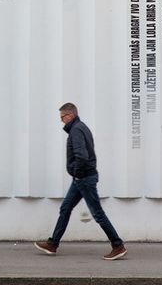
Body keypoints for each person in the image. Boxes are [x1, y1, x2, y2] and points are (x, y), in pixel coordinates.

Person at [34, 102, 127, 260]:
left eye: (62, 117)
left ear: (70, 116)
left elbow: (82, 156)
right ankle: (53, 244)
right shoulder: (81, 127)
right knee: (65, 208)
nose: (61, 121)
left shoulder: (76, 130)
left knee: (98, 214)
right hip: (81, 178)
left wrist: (77, 174)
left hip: (83, 178)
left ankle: (118, 245)